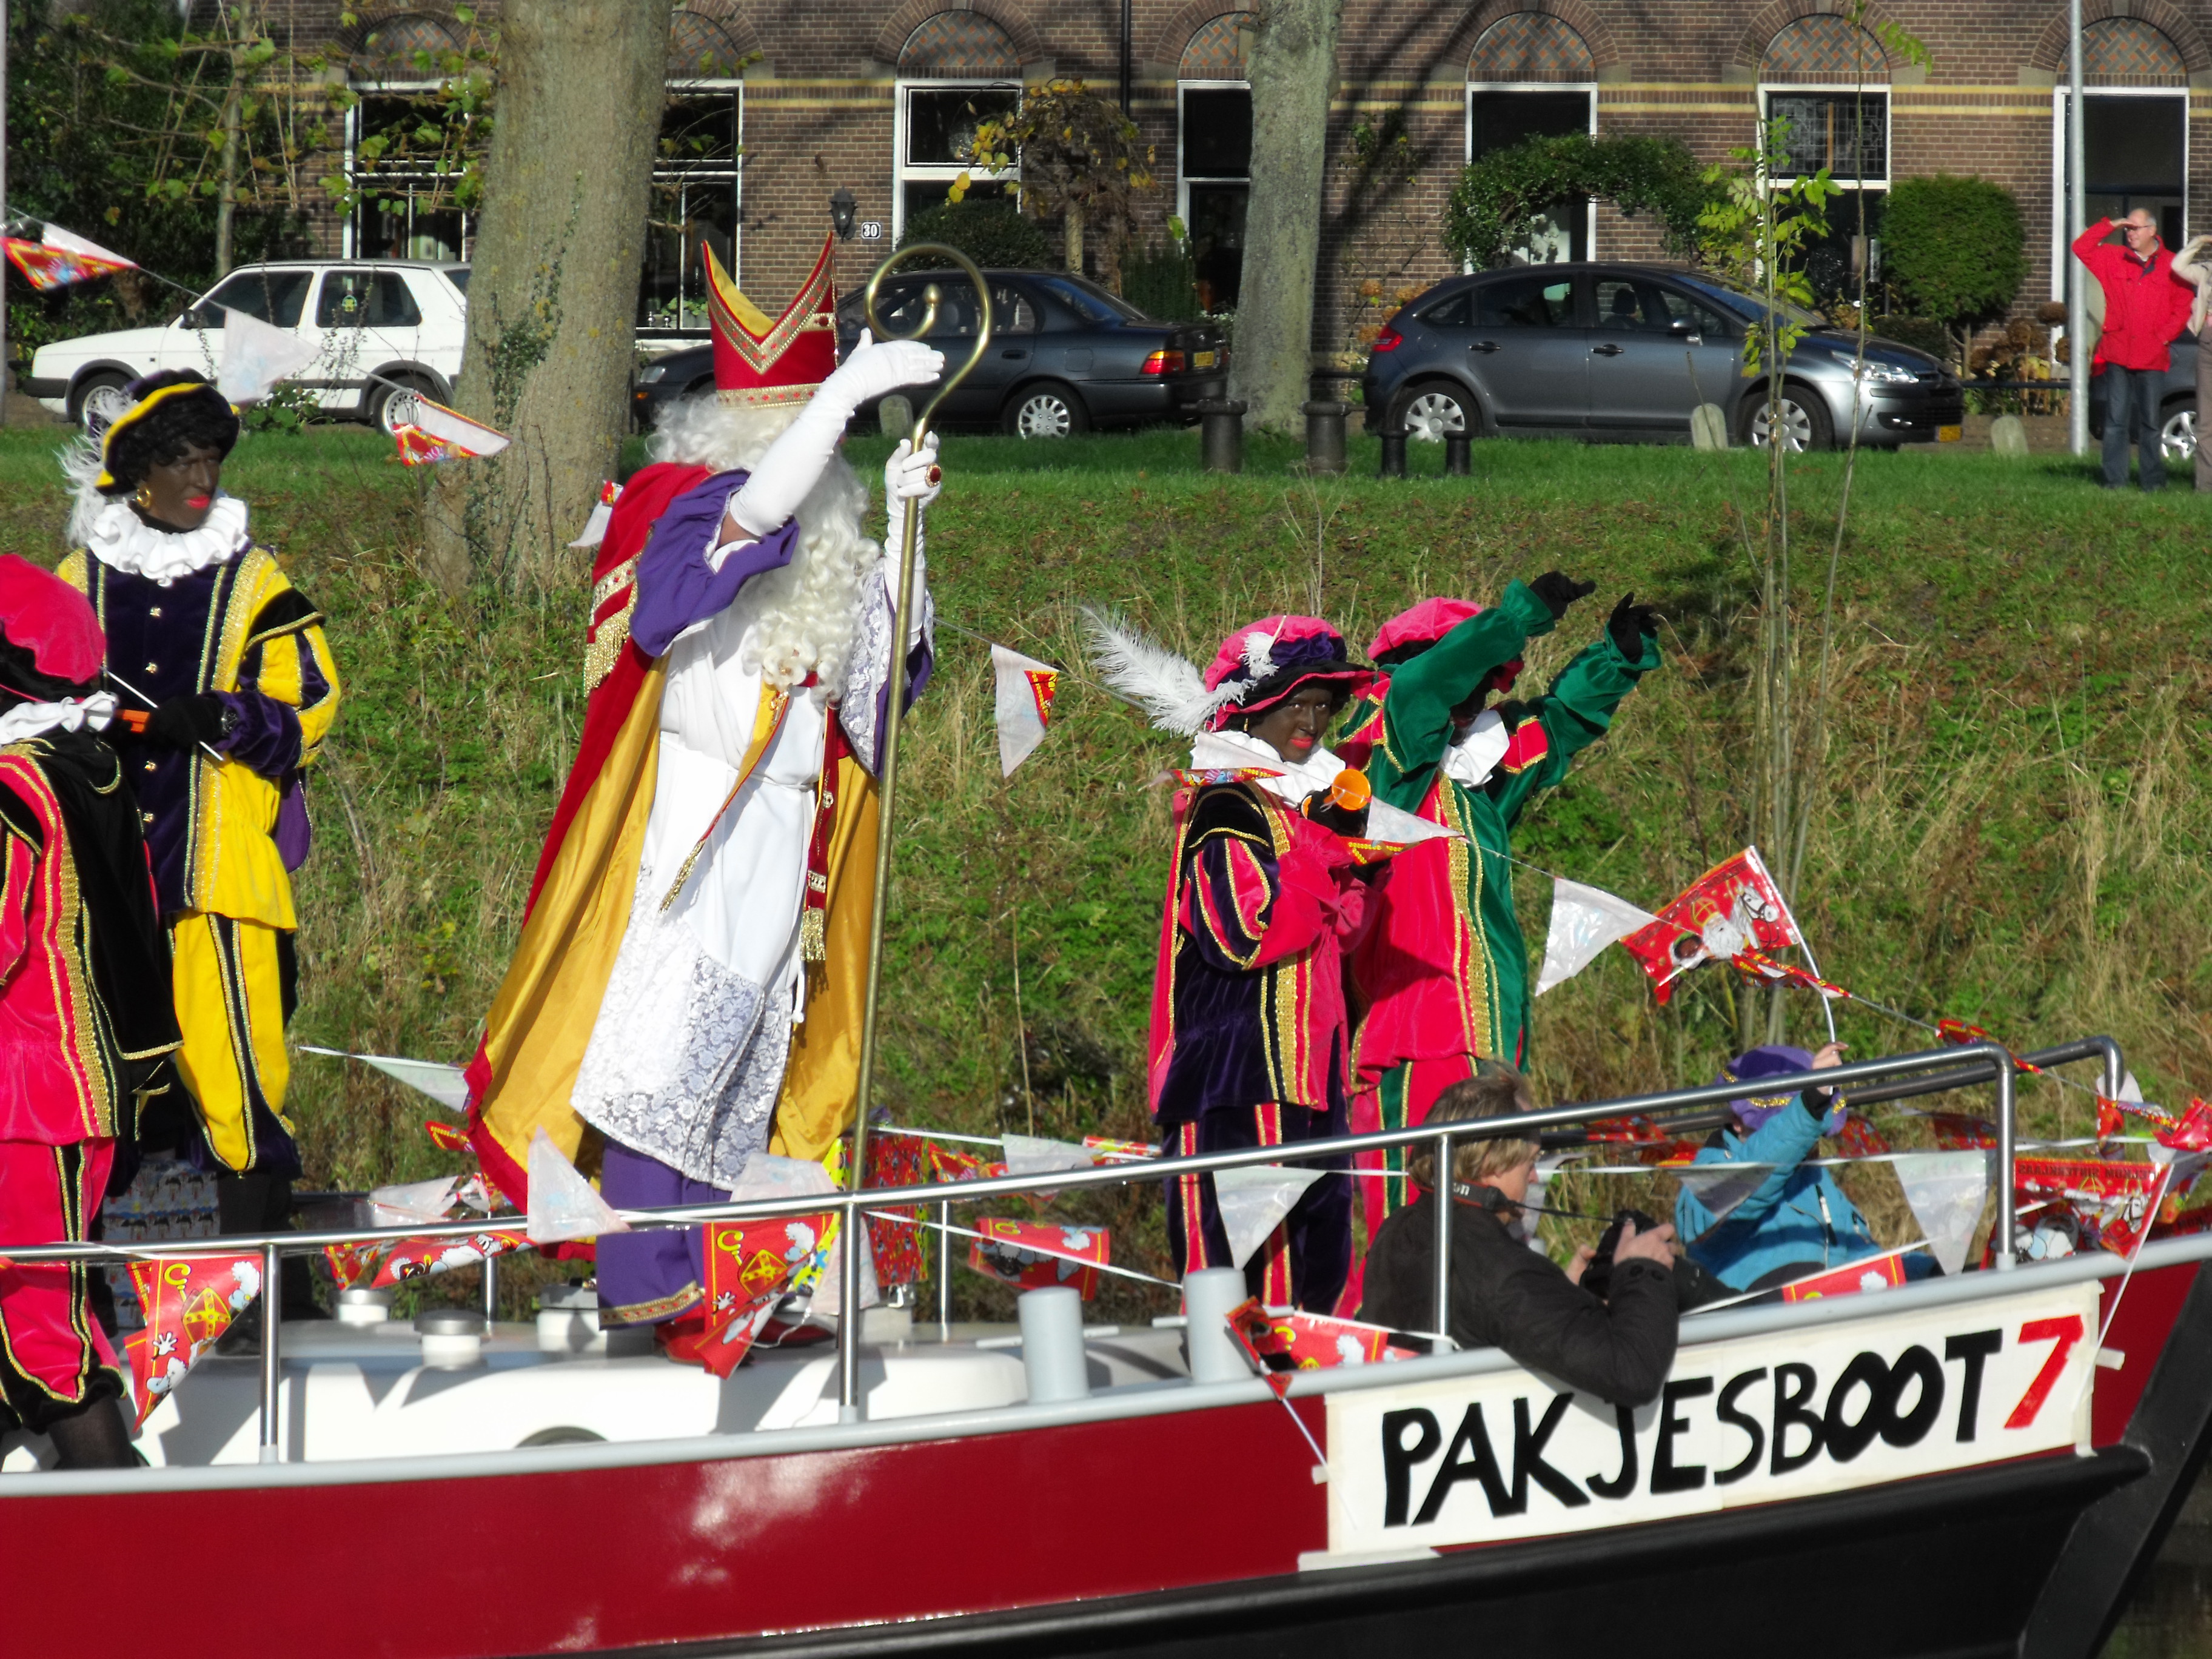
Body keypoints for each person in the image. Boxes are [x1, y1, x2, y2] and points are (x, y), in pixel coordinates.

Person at [463, 238, 945, 1339]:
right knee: (662, 1046)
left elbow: (878, 694)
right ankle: (647, 1279)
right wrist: (841, 399)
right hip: (693, 814)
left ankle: (720, 1280)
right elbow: (706, 568)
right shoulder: (683, 506)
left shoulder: (827, 547)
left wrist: (911, 527)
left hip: (784, 831)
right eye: (802, 436)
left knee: (738, 1060)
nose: (820, 466)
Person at [57, 370, 340, 1321]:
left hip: (217, 872)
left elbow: (310, 703)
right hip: (101, 883)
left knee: (240, 1078)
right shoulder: (80, 577)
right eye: (181, 458)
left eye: (211, 457)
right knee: (106, 1079)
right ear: (138, 474)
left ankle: (274, 1306)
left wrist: (219, 714)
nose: (200, 476)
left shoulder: (252, 576)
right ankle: (107, 1305)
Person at [1338, 576, 1660, 1265]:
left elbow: (1559, 725)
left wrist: (1617, 658)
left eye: (1489, 686)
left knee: (1496, 1232)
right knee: (1419, 1235)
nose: (1482, 700)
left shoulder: (1472, 773)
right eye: (1475, 680)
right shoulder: (1381, 757)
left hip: (1489, 1042)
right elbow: (1422, 691)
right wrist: (1521, 615)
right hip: (1414, 1039)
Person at [1091, 612, 1378, 1312]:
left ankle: (1305, 1399)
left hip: (1311, 1077)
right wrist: (1323, 854)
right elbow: (1242, 934)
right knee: (1247, 1281)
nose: (1312, 720)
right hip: (1239, 1081)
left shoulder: (1293, 803)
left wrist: (1352, 865)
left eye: (1322, 705)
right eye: (1296, 704)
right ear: (1253, 710)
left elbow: (1336, 938)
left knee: (1316, 1268)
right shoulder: (1228, 804)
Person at [0, 555, 181, 1466]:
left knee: (46, 1333)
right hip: (73, 1090)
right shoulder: (87, 765)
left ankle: (126, 1535)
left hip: (28, 1105)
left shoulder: (11, 787)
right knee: (39, 1322)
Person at [1358, 1071, 1678, 1408]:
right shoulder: (1501, 1269)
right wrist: (1643, 1270)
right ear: (1492, 1163)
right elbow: (1632, 1374)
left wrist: (1563, 1297)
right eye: (1531, 1161)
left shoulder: (1396, 1231)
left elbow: (1482, 1321)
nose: (1536, 1175)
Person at [1672, 1041, 1882, 1292]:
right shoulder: (1710, 1176)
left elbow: (1867, 1262)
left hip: (1831, 1317)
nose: (1807, 1143)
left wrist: (1927, 1272)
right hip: (1761, 1324)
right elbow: (1741, 1192)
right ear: (1737, 1121)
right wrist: (1811, 1104)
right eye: (1775, 1123)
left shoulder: (1815, 1178)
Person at [2072, 210, 2197, 491]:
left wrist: (2163, 338)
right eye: (2127, 229)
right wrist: (2110, 224)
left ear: (2152, 231)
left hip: (2152, 357)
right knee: (2116, 422)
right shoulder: (2113, 258)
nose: (2130, 234)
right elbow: (2081, 247)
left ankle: (2152, 482)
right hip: (2117, 352)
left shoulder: (2171, 265)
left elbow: (2182, 306)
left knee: (2151, 423)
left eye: (2136, 229)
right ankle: (2114, 482)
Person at [2168, 232, 2212, 494]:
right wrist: (2201, 241)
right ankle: (2206, 487)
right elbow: (2178, 266)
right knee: (2207, 420)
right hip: (2208, 344)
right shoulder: (2207, 271)